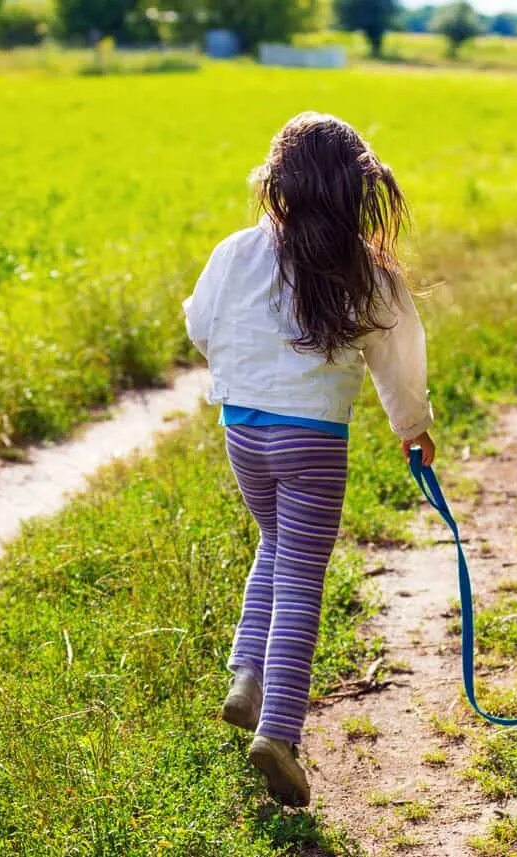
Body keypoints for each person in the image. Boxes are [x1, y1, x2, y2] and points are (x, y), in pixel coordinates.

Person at [182, 112, 436, 806]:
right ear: (357, 189)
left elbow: (201, 325)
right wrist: (412, 426)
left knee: (275, 545)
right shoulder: (368, 269)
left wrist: (248, 370)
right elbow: (400, 358)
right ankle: (280, 733)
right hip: (312, 440)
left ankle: (246, 672)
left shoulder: (236, 251)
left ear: (277, 185)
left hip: (243, 431)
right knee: (301, 577)